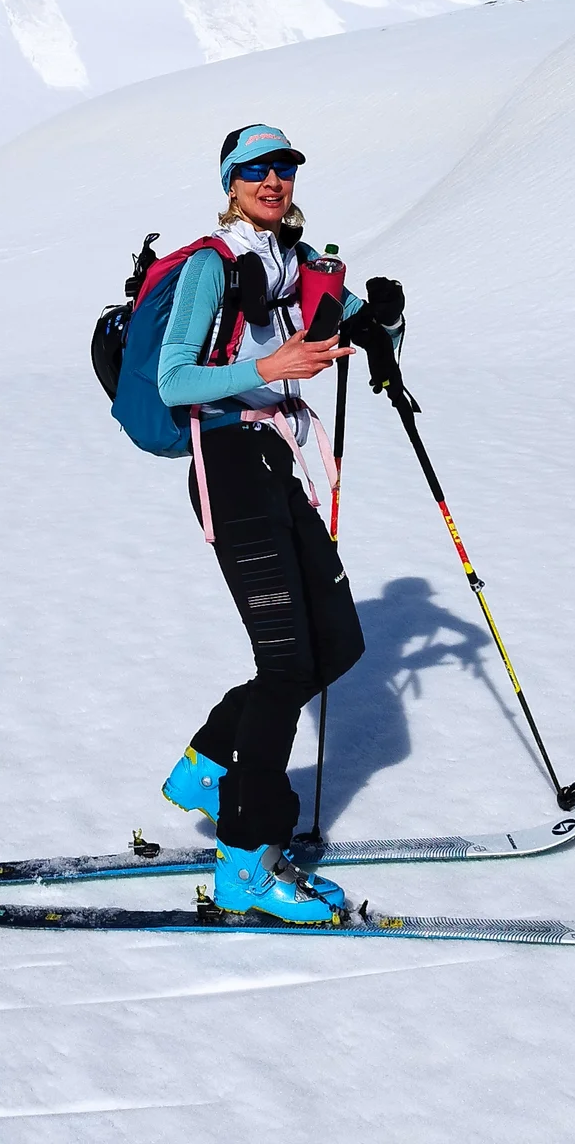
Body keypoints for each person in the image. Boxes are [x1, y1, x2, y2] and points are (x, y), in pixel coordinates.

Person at [154, 123, 405, 922]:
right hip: (228, 464)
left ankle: (206, 763)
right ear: (231, 182)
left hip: (274, 461)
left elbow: (358, 330)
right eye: (256, 169)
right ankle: (245, 863)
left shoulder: (296, 264)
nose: (273, 180)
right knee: (287, 665)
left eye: (284, 167)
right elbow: (172, 380)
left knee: (340, 643)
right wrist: (270, 366)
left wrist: (384, 321)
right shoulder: (212, 264)